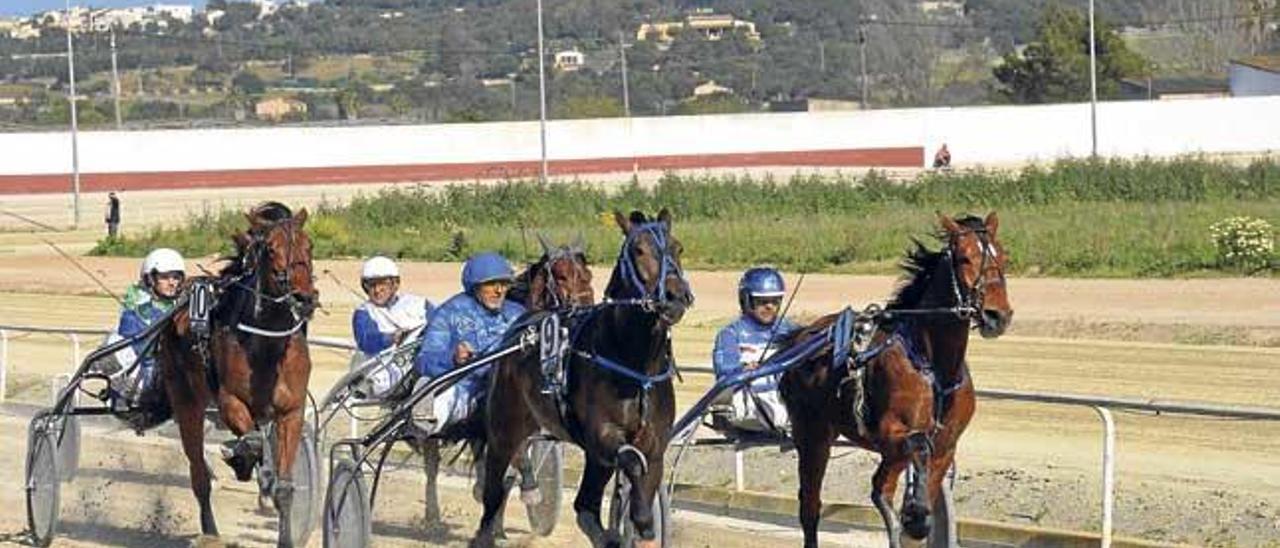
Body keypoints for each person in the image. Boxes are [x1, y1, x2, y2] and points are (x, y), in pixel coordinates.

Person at [412, 252, 525, 434]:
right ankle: (425, 414)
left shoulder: (519, 315)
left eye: (504, 284)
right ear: (475, 286)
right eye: (491, 284)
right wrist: (453, 358)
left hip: (510, 391)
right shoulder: (449, 313)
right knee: (441, 398)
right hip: (465, 391)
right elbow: (424, 360)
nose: (499, 290)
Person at [711, 267, 798, 435]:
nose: (769, 307)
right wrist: (744, 369)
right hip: (748, 401)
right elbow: (724, 371)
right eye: (762, 302)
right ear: (746, 300)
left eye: (775, 301)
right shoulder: (730, 334)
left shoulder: (791, 330)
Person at [108, 248, 184, 417]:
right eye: (165, 277)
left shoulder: (182, 303)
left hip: (171, 367)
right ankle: (122, 396)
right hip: (144, 370)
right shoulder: (136, 306)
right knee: (114, 343)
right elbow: (139, 345)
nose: (172, 283)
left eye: (176, 277)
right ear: (150, 279)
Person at [350, 255, 433, 397]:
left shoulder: (419, 304)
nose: (377, 290)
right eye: (371, 285)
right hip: (384, 377)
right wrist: (391, 338)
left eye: (383, 284)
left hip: (419, 365)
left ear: (395, 284)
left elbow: (441, 325)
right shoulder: (364, 313)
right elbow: (366, 340)